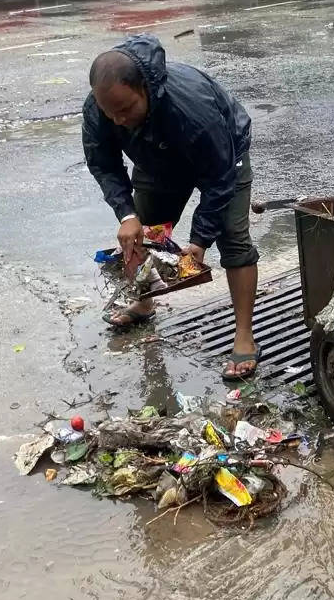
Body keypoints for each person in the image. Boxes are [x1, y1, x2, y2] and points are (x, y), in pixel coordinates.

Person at [82, 34, 261, 381]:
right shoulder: (99, 109)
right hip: (157, 159)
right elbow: (103, 162)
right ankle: (145, 302)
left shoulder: (190, 109)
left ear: (145, 90)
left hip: (224, 156)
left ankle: (244, 334)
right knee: (142, 233)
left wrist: (199, 242)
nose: (117, 120)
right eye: (109, 112)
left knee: (233, 238)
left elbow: (219, 177)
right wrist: (127, 214)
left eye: (125, 110)